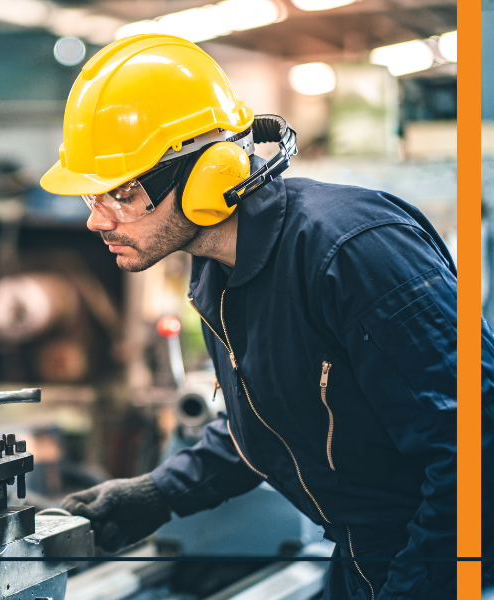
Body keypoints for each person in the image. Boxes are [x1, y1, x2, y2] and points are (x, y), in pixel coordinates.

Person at [40, 34, 460, 599]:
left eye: (121, 192)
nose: (98, 221)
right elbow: (270, 421)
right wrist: (162, 491)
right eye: (92, 198)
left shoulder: (352, 251)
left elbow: (472, 446)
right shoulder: (218, 278)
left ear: (208, 173)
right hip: (365, 559)